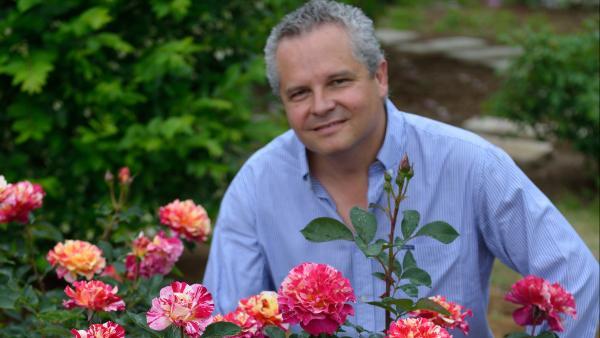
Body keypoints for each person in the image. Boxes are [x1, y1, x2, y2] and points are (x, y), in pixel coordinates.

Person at [202, 0, 599, 336]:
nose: (321, 105)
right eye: (300, 92)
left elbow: (574, 276)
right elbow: (226, 319)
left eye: (338, 81)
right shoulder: (257, 186)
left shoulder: (468, 164)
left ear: (380, 76)